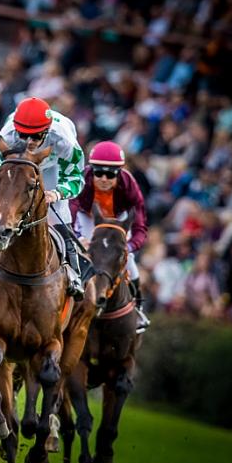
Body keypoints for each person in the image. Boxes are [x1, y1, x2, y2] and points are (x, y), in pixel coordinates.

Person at [0, 96, 86, 300]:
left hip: (52, 169)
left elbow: (76, 179)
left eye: (36, 137)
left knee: (60, 213)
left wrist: (57, 193)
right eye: (23, 135)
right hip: (17, 169)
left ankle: (75, 275)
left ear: (47, 132)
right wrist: (5, 194)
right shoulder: (4, 138)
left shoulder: (65, 141)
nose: (29, 142)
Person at [70, 141, 151, 331]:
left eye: (110, 174)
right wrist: (77, 238)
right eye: (99, 173)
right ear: (91, 170)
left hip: (117, 217)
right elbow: (70, 213)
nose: (104, 179)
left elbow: (140, 227)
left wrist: (129, 247)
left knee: (128, 259)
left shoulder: (129, 184)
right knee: (79, 254)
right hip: (88, 216)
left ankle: (138, 307)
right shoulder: (82, 180)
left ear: (119, 173)